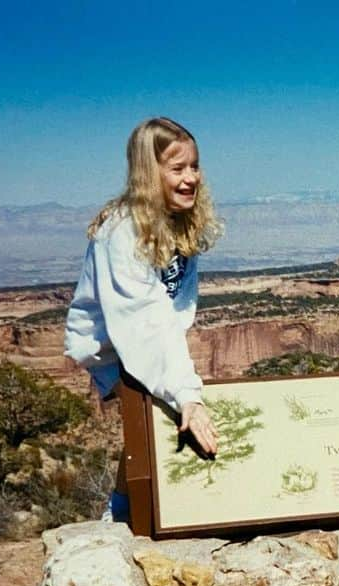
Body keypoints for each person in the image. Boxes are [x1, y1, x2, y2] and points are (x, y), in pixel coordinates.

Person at [64, 117, 222, 523]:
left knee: (161, 410)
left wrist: (180, 377)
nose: (191, 179)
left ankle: (141, 509)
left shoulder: (178, 222)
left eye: (195, 166)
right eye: (178, 169)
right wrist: (185, 392)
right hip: (108, 347)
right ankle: (121, 518)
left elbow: (175, 307)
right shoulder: (122, 233)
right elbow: (143, 320)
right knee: (156, 415)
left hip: (149, 332)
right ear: (149, 173)